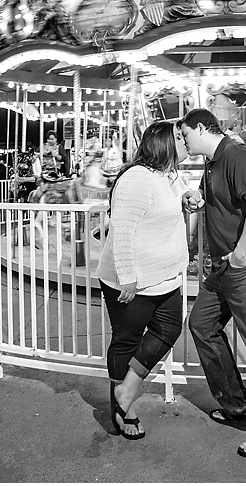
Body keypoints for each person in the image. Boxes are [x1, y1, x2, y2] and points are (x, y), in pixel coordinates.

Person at [178, 108, 246, 459]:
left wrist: (241, 253)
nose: (183, 141)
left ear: (200, 128)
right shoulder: (211, 163)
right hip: (223, 267)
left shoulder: (237, 155)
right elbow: (217, 201)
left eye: (184, 135)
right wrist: (194, 198)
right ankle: (238, 406)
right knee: (201, 325)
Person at [95, 120, 191, 440]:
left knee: (169, 328)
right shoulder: (137, 178)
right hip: (133, 278)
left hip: (163, 277)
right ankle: (124, 408)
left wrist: (191, 196)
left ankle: (126, 390)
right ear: (164, 143)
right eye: (179, 136)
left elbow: (183, 189)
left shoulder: (169, 176)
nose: (186, 140)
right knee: (127, 339)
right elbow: (122, 230)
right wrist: (127, 276)